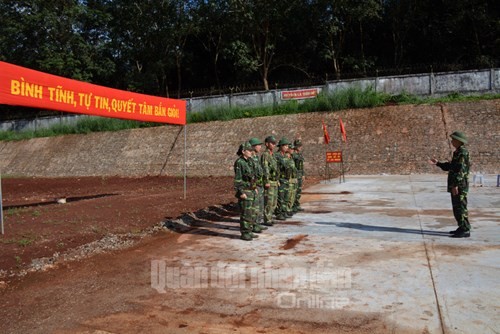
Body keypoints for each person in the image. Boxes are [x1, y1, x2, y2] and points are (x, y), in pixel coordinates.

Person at [429, 131, 471, 238]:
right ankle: (461, 227)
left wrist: (456, 185)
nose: (452, 141)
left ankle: (465, 229)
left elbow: (461, 170)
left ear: (458, 141)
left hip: (460, 185)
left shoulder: (463, 153)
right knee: (456, 207)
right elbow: (452, 166)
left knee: (461, 207)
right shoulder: (457, 152)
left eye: (453, 140)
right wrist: (438, 163)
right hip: (456, 184)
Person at [234, 142, 259, 241]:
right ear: (243, 151)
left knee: (252, 212)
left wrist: (254, 187)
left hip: (251, 190)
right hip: (245, 191)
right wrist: (241, 192)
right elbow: (238, 179)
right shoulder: (240, 162)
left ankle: (249, 230)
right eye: (249, 150)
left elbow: (252, 177)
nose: (251, 152)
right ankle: (245, 232)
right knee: (245, 213)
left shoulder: (249, 161)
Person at [248, 137, 267, 232]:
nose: (260, 147)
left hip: (260, 185)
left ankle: (258, 223)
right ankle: (254, 225)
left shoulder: (256, 157)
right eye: (258, 145)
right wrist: (253, 186)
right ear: (253, 146)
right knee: (254, 207)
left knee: (260, 205)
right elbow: (250, 174)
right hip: (254, 186)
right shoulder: (250, 158)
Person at [260, 135, 279, 226]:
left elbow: (276, 169)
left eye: (274, 143)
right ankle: (267, 219)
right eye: (272, 143)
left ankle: (270, 217)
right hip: (269, 181)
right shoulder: (265, 155)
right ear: (267, 144)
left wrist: (277, 180)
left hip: (274, 181)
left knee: (274, 202)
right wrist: (266, 181)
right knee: (269, 201)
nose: (274, 145)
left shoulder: (273, 155)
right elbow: (265, 168)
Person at [274, 137, 293, 220]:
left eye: (287, 146)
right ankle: (279, 213)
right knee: (280, 197)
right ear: (280, 146)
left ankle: (284, 211)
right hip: (281, 179)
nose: (287, 147)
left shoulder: (286, 155)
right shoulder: (277, 155)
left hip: (286, 179)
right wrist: (276, 179)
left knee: (286, 197)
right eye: (285, 146)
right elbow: (276, 168)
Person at [292, 139, 305, 213]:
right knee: (295, 191)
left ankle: (297, 205)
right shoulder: (293, 155)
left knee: (299, 191)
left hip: (300, 175)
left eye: (300, 146)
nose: (300, 147)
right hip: (295, 175)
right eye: (299, 146)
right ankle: (293, 206)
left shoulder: (300, 154)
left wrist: (303, 174)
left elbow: (301, 166)